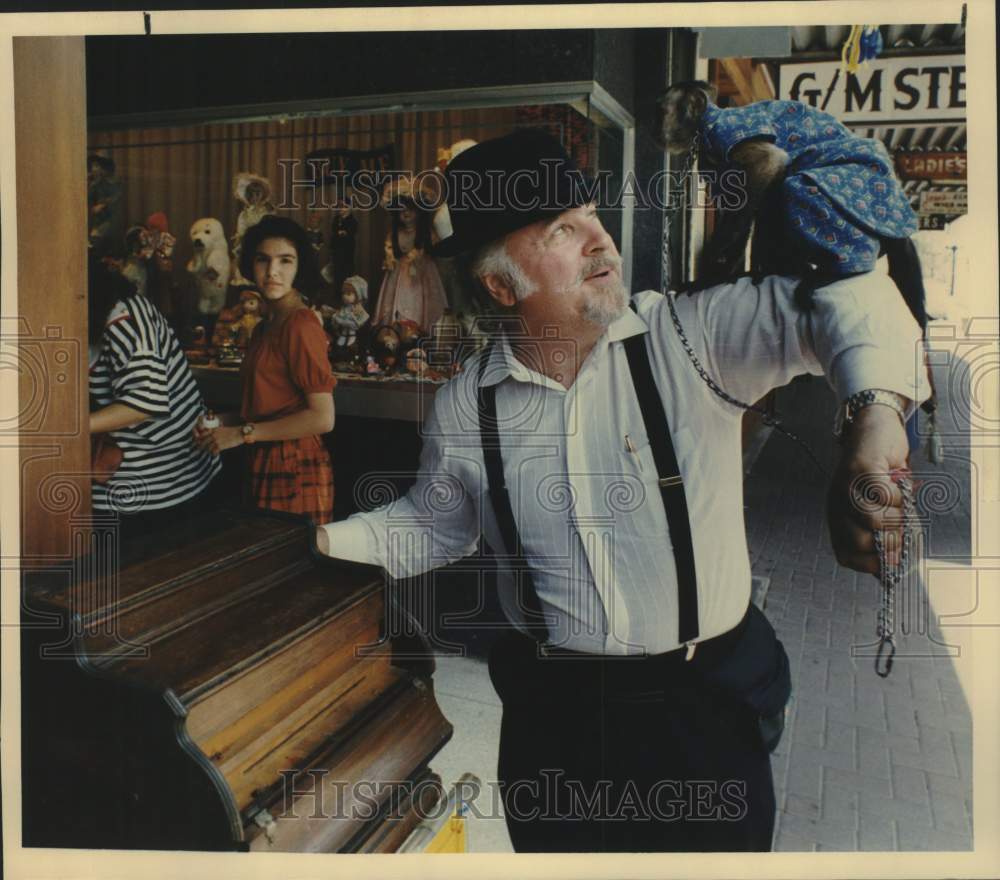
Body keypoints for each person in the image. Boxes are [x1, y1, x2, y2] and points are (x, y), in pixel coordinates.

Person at [314, 130, 930, 851]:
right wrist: (325, 541)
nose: (600, 242)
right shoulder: (468, 404)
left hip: (701, 716)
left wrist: (874, 419)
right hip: (555, 723)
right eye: (562, 232)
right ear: (501, 284)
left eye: (593, 217)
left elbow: (854, 297)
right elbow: (435, 524)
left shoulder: (691, 337)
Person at [194, 215, 337, 525]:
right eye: (263, 260)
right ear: (250, 265)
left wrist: (242, 434)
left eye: (285, 261)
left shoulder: (301, 325)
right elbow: (266, 408)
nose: (273, 271)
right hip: (263, 456)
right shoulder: (264, 327)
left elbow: (322, 418)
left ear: (300, 268)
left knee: (286, 566)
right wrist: (221, 423)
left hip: (295, 464)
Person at [88, 255, 221, 541]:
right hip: (119, 473)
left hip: (161, 480)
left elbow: (145, 401)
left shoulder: (123, 316)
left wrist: (67, 428)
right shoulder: (82, 316)